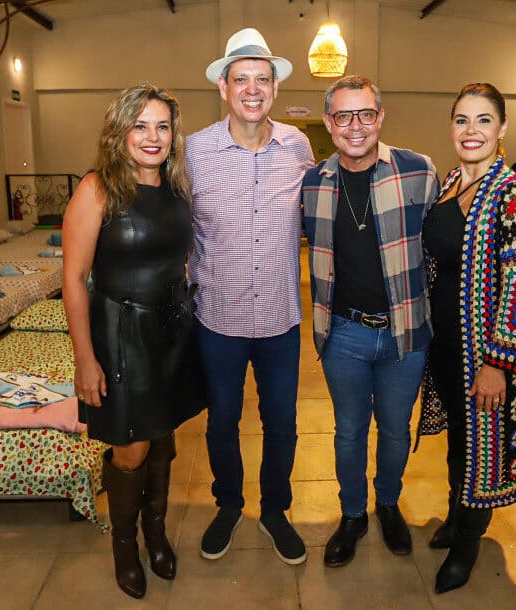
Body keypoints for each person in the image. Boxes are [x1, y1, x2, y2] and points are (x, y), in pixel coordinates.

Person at [63, 83, 207, 599]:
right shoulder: (98, 188)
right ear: (120, 132)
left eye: (162, 126)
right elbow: (74, 278)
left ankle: (156, 533)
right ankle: (124, 546)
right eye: (140, 126)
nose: (153, 137)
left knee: (162, 436)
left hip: (171, 331)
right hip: (121, 333)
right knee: (131, 449)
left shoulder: (177, 187)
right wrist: (85, 359)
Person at [185, 28, 315, 566]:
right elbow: (177, 227)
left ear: (276, 88)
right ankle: (228, 504)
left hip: (281, 317)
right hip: (218, 317)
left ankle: (276, 510)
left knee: (282, 423)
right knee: (222, 422)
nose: (253, 89)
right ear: (223, 87)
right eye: (242, 79)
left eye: (263, 79)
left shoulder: (298, 147)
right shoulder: (194, 151)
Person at [301, 75, 438, 568]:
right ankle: (353, 514)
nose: (355, 126)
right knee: (349, 432)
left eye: (365, 114)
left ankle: (388, 504)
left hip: (406, 332)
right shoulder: (313, 182)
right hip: (343, 333)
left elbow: (442, 247)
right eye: (343, 115)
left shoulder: (419, 171)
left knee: (396, 431)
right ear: (329, 122)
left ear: (380, 117)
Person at [418, 83, 516, 594]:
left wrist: (498, 364)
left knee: (482, 449)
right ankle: (455, 516)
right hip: (447, 346)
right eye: (462, 120)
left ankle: (468, 542)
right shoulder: (450, 184)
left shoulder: (512, 195)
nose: (471, 131)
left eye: (484, 120)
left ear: (502, 128)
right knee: (460, 442)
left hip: (486, 354)